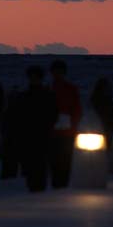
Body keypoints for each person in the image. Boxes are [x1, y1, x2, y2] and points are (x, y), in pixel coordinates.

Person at [14, 65, 58, 191]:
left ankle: (38, 183)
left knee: (40, 158)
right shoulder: (27, 95)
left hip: (41, 131)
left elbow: (53, 112)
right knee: (32, 159)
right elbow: (20, 115)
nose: (33, 80)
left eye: (35, 77)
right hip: (31, 132)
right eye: (31, 78)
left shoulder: (45, 95)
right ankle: (33, 183)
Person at [49, 59, 81, 189]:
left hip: (67, 130)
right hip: (54, 130)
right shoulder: (50, 89)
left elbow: (76, 109)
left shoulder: (70, 89)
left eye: (59, 72)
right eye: (56, 72)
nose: (57, 74)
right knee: (56, 159)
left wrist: (74, 124)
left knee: (65, 158)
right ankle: (58, 183)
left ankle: (63, 183)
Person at [90, 77, 113, 148]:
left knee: (104, 145)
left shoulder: (97, 99)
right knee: (105, 145)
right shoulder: (103, 99)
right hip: (105, 125)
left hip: (106, 125)